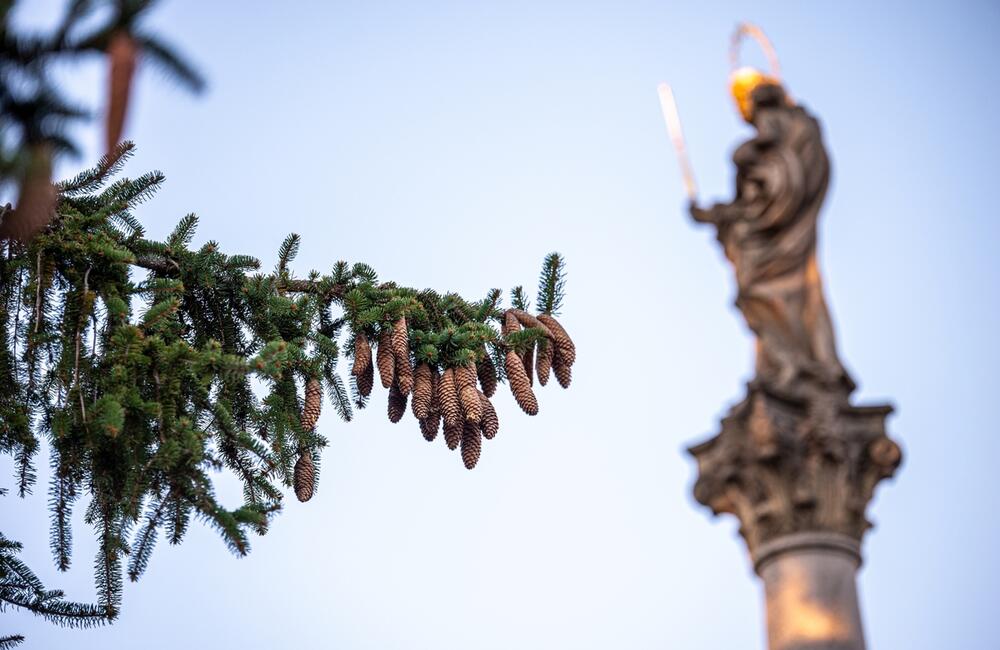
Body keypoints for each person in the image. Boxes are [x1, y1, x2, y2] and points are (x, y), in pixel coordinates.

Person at [690, 69, 853, 396]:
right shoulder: (781, 140)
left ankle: (797, 365)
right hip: (765, 234)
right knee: (758, 294)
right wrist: (715, 214)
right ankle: (787, 364)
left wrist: (746, 202)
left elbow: (780, 188)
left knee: (764, 291)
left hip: (781, 238)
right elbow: (748, 202)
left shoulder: (789, 131)